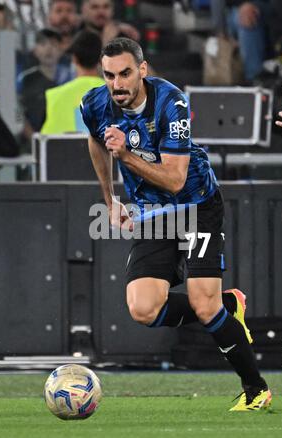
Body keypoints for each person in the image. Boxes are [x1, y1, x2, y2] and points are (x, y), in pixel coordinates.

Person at [80, 37, 272, 411]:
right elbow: (96, 142)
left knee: (203, 304)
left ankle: (256, 389)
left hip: (197, 203)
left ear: (142, 70)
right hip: (152, 212)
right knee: (143, 308)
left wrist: (127, 154)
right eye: (109, 75)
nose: (117, 84)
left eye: (124, 73)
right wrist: (110, 199)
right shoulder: (95, 103)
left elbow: (175, 180)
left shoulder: (172, 103)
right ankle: (226, 306)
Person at [41, 30, 104, 134]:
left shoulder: (54, 96)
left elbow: (46, 142)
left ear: (74, 59)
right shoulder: (117, 94)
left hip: (67, 150)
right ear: (101, 60)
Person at [18, 28, 63, 146]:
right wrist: (34, 139)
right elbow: (18, 112)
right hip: (33, 141)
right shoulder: (26, 79)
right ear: (35, 50)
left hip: (64, 139)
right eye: (43, 44)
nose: (48, 49)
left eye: (53, 44)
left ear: (61, 49)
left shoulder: (70, 77)